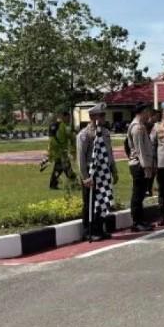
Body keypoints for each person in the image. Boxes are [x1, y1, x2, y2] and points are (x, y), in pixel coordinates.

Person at [76, 103, 118, 241]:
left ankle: (100, 229)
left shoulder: (105, 132)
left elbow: (109, 153)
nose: (104, 117)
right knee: (90, 201)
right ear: (92, 117)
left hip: (104, 171)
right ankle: (88, 231)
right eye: (101, 115)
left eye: (103, 115)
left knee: (102, 201)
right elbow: (81, 157)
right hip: (91, 171)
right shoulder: (85, 134)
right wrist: (85, 176)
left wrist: (114, 170)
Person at [126, 103, 154, 232]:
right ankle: (137, 222)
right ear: (141, 112)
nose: (149, 114)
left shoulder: (140, 126)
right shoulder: (137, 128)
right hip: (139, 165)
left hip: (140, 164)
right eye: (148, 111)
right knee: (138, 194)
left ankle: (140, 220)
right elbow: (140, 150)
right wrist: (146, 166)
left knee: (141, 194)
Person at [48, 110, 76, 190]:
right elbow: (70, 136)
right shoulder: (62, 126)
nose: (69, 119)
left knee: (59, 168)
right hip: (61, 151)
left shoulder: (53, 125)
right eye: (68, 117)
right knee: (66, 167)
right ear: (63, 116)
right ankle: (74, 183)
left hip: (57, 151)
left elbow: (51, 139)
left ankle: (53, 184)